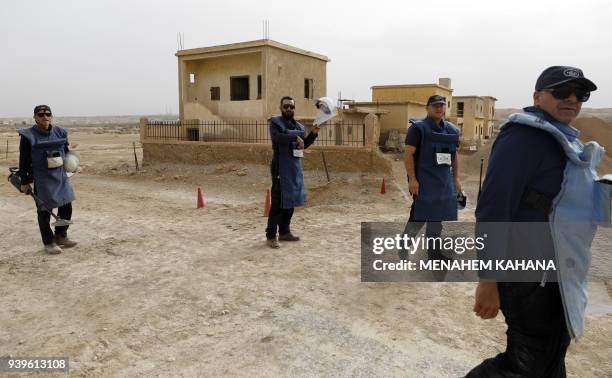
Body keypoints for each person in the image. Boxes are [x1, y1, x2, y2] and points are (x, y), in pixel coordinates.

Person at [467, 66, 604, 377]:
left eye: (580, 94)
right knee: (525, 363)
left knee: (552, 353)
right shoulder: (523, 139)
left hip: (557, 271)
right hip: (530, 275)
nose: (571, 99)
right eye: (561, 92)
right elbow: (493, 210)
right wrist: (488, 280)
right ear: (538, 96)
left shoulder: (561, 140)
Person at [399, 95, 461, 267]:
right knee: (419, 216)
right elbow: (408, 155)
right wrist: (412, 179)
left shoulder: (451, 131)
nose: (439, 108)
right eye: (435, 105)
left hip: (442, 181)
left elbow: (454, 157)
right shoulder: (417, 129)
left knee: (437, 218)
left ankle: (434, 254)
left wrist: (455, 178)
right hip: (422, 180)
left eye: (441, 105)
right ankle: (404, 247)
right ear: (428, 108)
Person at [18, 105, 77, 254]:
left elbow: (66, 151)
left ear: (51, 116)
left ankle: (61, 235)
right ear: (35, 117)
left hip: (60, 176)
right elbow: (24, 160)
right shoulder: (28, 135)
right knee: (44, 210)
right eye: (41, 114)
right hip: (42, 178)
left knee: (66, 206)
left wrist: (72, 164)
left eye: (47, 114)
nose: (45, 117)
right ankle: (49, 242)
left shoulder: (60, 132)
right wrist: (24, 182)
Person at [265, 96, 320, 248]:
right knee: (277, 203)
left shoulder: (300, 127)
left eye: (291, 107)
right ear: (281, 108)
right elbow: (277, 138)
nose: (289, 109)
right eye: (286, 106)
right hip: (280, 167)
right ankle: (271, 236)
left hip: (294, 168)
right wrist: (295, 136)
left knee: (291, 201)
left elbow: (303, 145)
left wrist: (313, 133)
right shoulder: (275, 123)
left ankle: (284, 232)